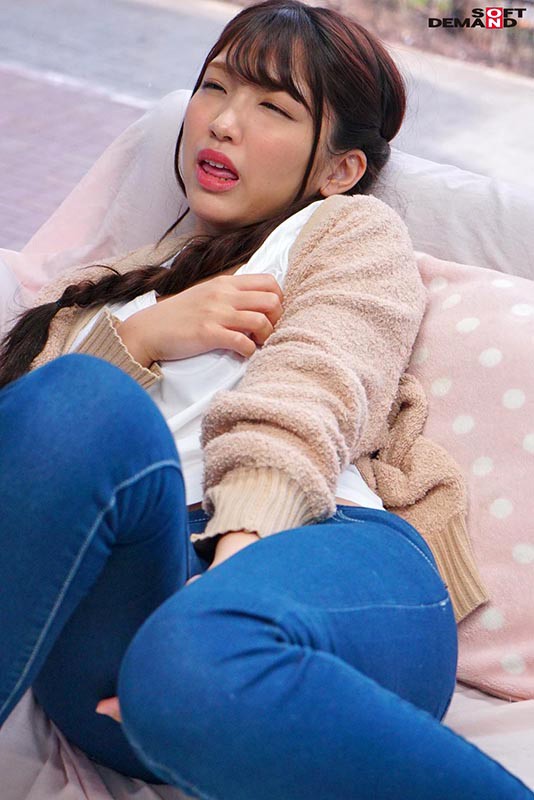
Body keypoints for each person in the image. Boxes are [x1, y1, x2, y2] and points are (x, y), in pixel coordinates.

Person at [0, 1, 532, 797]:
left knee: (197, 654)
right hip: (129, 613)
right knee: (78, 396)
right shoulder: (96, 292)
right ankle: (191, 667)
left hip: (322, 550)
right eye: (214, 88)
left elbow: (315, 385)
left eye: (273, 108)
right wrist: (140, 336)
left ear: (338, 170)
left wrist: (229, 568)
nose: (222, 123)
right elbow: (31, 463)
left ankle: (202, 654)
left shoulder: (344, 233)